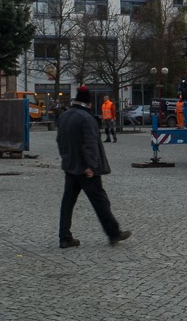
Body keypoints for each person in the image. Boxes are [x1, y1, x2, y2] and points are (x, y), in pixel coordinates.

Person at [56, 85, 131, 249]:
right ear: (88, 102)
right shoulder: (86, 118)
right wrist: (91, 166)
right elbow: (90, 144)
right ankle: (114, 233)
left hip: (70, 167)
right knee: (100, 201)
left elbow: (60, 141)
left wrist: (66, 159)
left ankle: (64, 237)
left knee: (67, 202)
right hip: (86, 170)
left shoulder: (64, 116)